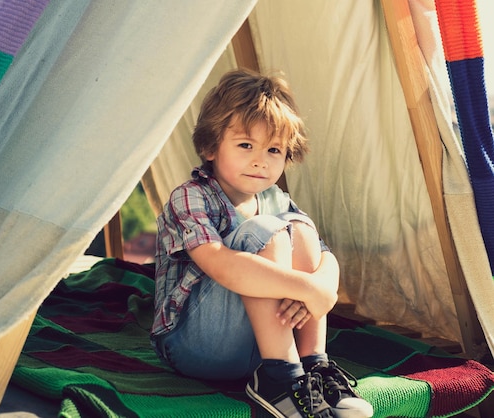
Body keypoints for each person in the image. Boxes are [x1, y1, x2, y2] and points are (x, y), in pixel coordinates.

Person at [150, 68, 373, 418]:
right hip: (196, 345)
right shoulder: (191, 197)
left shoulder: (277, 198)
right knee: (266, 230)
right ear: (210, 146)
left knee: (300, 227)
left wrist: (321, 290)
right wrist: (304, 287)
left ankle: (313, 367)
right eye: (245, 145)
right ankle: (280, 379)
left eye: (273, 149)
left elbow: (322, 254)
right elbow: (222, 265)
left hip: (256, 345)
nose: (260, 160)